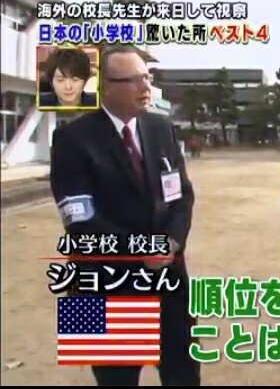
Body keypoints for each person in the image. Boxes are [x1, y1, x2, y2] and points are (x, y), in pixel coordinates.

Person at [49, 46, 200, 386]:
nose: (146, 87)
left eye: (147, 77)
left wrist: (171, 242)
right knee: (115, 380)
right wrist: (142, 249)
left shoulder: (161, 127)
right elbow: (80, 219)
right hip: (102, 284)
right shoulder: (71, 139)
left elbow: (182, 196)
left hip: (168, 282)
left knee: (184, 374)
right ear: (105, 86)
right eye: (132, 80)